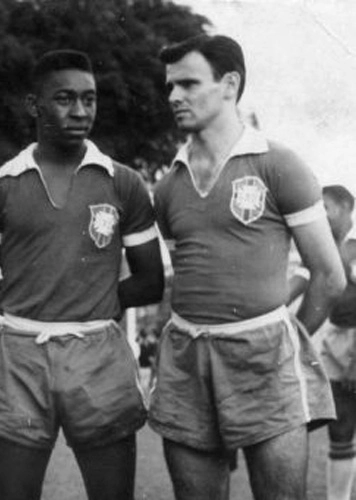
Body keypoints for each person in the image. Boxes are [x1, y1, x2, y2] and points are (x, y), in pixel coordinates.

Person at [151, 34, 345, 500]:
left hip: (265, 358)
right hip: (187, 360)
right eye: (170, 87)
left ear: (229, 84)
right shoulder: (168, 185)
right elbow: (190, 274)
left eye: (188, 84)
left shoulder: (279, 165)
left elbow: (330, 274)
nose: (175, 97)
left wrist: (286, 342)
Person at [0, 49, 165, 500]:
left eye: (89, 99)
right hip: (19, 353)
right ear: (35, 105)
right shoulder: (0, 184)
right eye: (64, 98)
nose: (80, 111)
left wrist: (87, 308)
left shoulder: (123, 182)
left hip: (97, 352)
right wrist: (32, 311)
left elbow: (150, 280)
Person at [291, 185, 356, 500]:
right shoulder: (322, 246)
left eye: (326, 207)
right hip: (335, 338)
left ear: (345, 207)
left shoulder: (354, 247)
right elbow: (304, 281)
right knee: (337, 421)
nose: (320, 214)